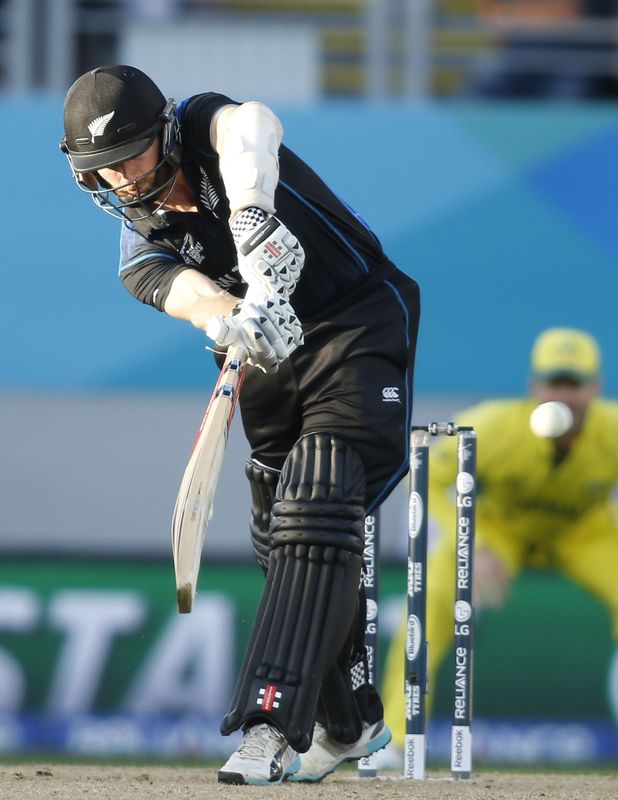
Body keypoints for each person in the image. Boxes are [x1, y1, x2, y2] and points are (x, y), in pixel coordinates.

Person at [60, 65, 420, 784]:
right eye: (103, 173)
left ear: (162, 134)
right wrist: (233, 317)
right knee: (279, 529)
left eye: (129, 158)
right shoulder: (139, 253)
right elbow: (188, 297)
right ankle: (348, 724)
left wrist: (252, 213)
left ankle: (267, 722)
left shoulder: (201, 126)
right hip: (265, 351)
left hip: (357, 321)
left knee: (316, 499)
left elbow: (253, 123)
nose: (124, 182)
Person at [382, 326, 618, 760]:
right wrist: (467, 540)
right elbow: (427, 477)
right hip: (496, 532)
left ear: (596, 389)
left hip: (585, 532)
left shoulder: (613, 430)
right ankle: (395, 738)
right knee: (431, 593)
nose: (563, 396)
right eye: (554, 383)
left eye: (574, 385)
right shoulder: (495, 426)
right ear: (534, 387)